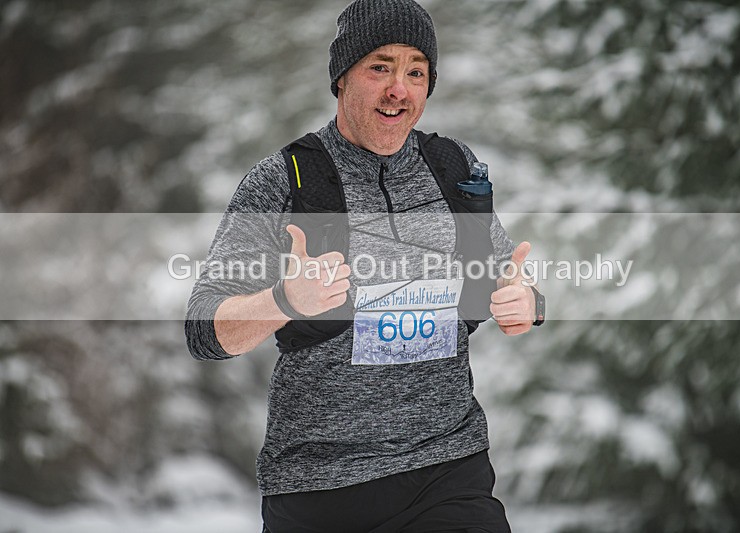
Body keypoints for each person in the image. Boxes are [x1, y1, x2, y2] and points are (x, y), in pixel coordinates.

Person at [185, 0, 540, 531]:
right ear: (341, 78)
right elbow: (204, 331)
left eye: (415, 72)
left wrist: (526, 303)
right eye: (380, 67)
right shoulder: (285, 180)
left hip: (448, 470)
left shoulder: (452, 167)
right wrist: (282, 300)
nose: (399, 88)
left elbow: (506, 274)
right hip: (320, 489)